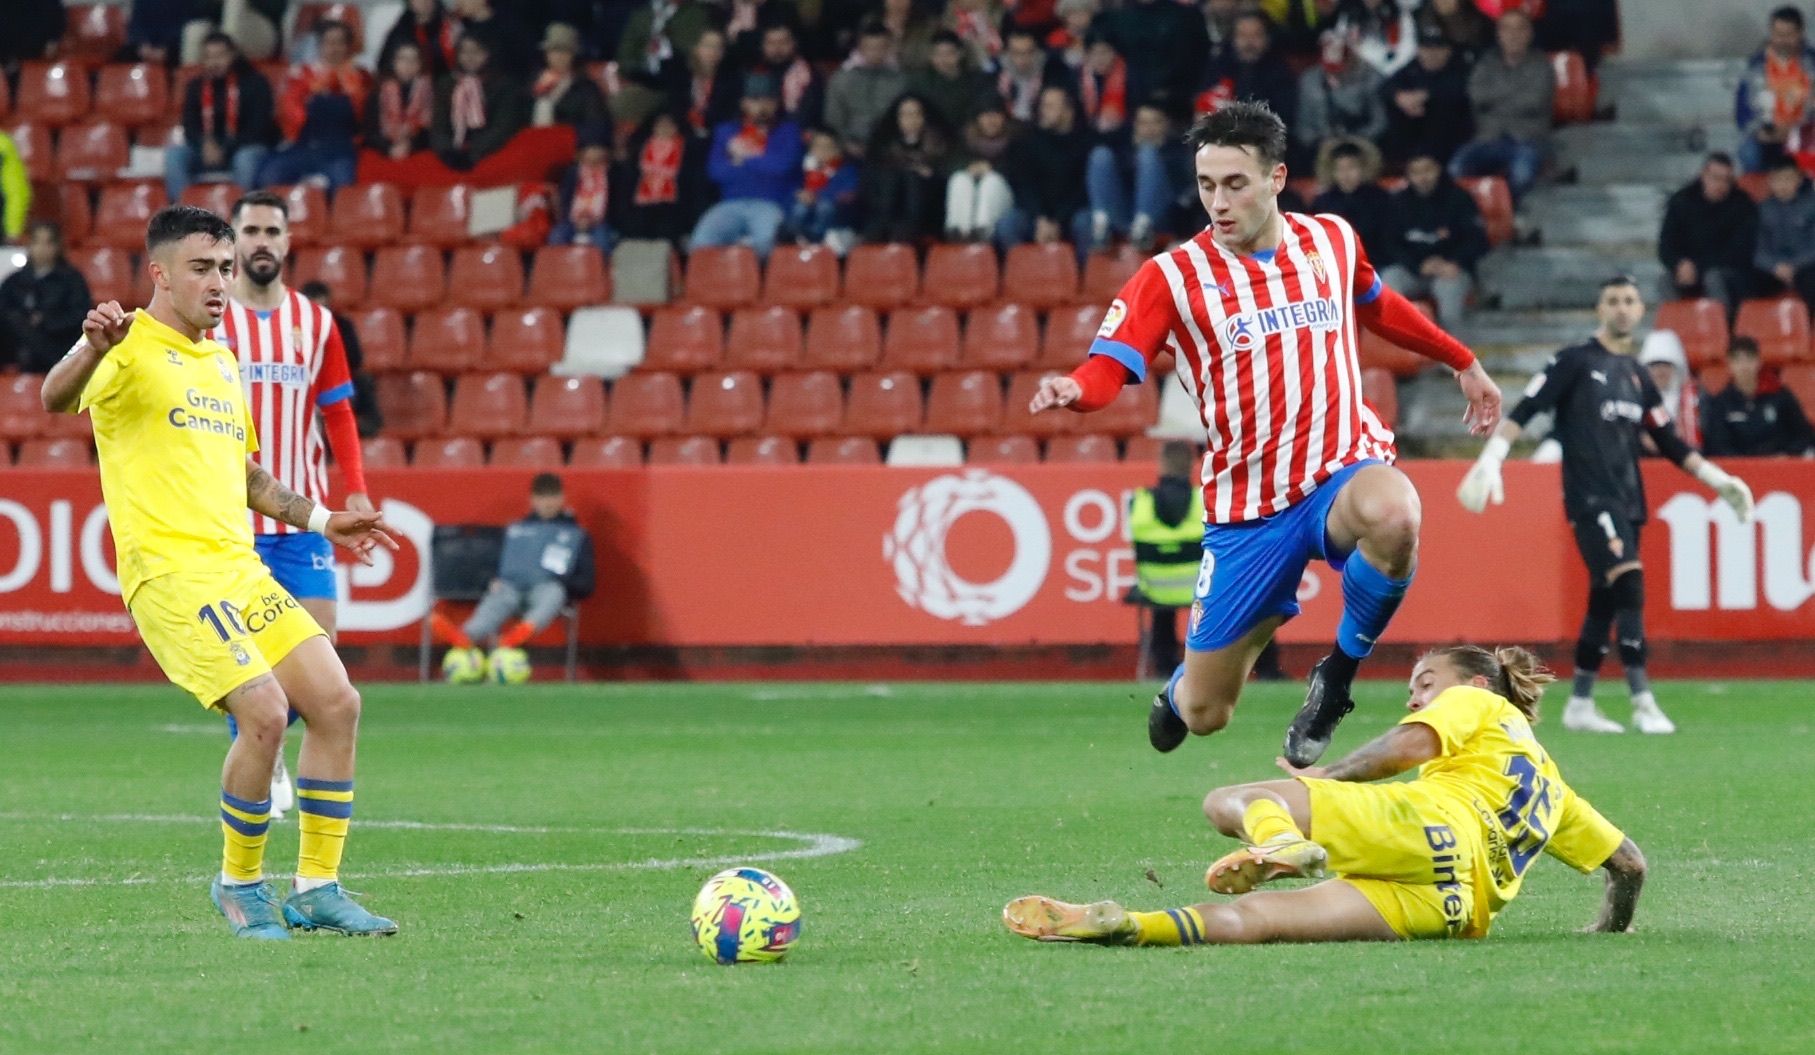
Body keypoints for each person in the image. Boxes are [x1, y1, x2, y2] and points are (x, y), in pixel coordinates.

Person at [1029, 101, 1502, 766]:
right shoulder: (1171, 276)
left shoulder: (1331, 240)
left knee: (1395, 513)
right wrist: (1077, 389)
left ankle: (1335, 678)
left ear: (1276, 177)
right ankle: (1186, 682)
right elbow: (1113, 361)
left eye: (1233, 184)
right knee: (1205, 713)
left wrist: (1460, 358)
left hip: (1341, 465)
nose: (1216, 203)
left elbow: (1376, 304)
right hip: (1250, 506)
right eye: (1204, 186)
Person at [38, 205, 398, 939]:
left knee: (337, 702)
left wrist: (326, 519)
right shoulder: (127, 343)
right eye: (202, 268)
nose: (219, 282)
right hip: (170, 576)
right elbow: (56, 396)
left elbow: (246, 476)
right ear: (159, 273)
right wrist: (90, 347)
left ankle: (319, 886)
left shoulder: (220, 360)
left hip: (238, 569)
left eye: (226, 268)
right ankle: (239, 885)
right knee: (263, 711)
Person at [1004, 645, 1648, 946]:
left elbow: (1408, 745)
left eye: (1426, 682)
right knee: (1265, 924)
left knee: (1233, 799)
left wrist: (1326, 779)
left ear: (1476, 683)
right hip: (1454, 904)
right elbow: (1629, 866)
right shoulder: (1554, 789)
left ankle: (1281, 841)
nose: (1416, 695)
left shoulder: (1477, 699)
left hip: (1431, 824)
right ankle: (1129, 926)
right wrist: (1606, 931)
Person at [1458, 276, 1756, 735]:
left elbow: (1670, 441)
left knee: (1605, 598)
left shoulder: (1637, 375)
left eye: (1630, 301)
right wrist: (1493, 457)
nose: (1621, 308)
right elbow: (1528, 408)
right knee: (1629, 580)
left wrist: (1719, 480)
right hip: (1590, 498)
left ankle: (1579, 703)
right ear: (1600, 308)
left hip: (1628, 501)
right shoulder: (1575, 361)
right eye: (1613, 300)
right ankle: (1642, 700)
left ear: (1640, 312)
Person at [213, 191, 374, 813]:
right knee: (244, 665)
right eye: (248, 229)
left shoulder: (316, 322)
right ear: (233, 241)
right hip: (230, 525)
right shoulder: (211, 318)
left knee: (320, 667)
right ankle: (263, 759)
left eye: (270, 230)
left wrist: (354, 483)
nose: (260, 240)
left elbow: (338, 410)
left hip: (302, 522)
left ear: (286, 242)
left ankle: (276, 752)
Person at [432, 473, 596, 681]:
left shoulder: (576, 535)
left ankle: (521, 633)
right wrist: (491, 580)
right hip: (512, 588)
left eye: (552, 496)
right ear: (533, 499)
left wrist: (563, 581)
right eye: (542, 497)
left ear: (562, 498)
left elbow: (587, 583)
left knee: (554, 593)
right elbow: (497, 566)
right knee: (498, 595)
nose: (547, 503)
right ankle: (466, 636)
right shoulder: (516, 530)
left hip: (545, 590)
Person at [690, 75, 805, 260]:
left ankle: (762, 286)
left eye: (768, 100)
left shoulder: (788, 130)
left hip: (771, 203)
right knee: (701, 242)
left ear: (777, 103)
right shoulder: (726, 131)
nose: (761, 107)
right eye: (754, 100)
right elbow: (716, 172)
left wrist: (744, 157)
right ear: (743, 103)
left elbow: (781, 167)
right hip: (730, 203)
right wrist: (761, 160)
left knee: (766, 241)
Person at [1448, 8, 1555, 201]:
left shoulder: (1542, 65)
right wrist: (1514, 95)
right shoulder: (1486, 63)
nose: (1513, 35)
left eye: (1519, 29)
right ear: (1498, 34)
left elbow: (1534, 101)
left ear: (1529, 34)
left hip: (1527, 140)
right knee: (1455, 169)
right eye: (1506, 29)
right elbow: (1476, 96)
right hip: (1488, 139)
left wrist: (1494, 100)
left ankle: (1510, 217)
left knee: (1522, 175)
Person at [258, 20, 371, 191]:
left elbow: (367, 116)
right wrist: (311, 91)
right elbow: (288, 109)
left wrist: (352, 91)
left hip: (342, 149)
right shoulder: (301, 74)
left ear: (348, 47)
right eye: (328, 42)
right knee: (270, 175)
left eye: (339, 42)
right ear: (320, 45)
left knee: (344, 185)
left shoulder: (362, 76)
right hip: (305, 146)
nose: (334, 48)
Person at [1380, 150, 1488, 326]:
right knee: (1389, 279)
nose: (1422, 177)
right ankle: (1398, 345)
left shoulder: (1459, 198)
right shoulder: (1397, 202)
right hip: (1412, 268)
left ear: (1438, 169)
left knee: (1450, 295)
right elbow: (1389, 243)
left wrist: (1455, 262)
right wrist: (1417, 265)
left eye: (1427, 170)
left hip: (1452, 269)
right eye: (1416, 172)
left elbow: (1477, 239)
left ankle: (1454, 350)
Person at [167, 32, 277, 202]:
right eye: (208, 57)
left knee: (245, 159)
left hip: (244, 146)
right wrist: (204, 144)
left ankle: (240, 216)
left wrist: (225, 148)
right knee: (175, 155)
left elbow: (259, 128)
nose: (214, 62)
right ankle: (183, 216)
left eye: (220, 56)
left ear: (233, 55)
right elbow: (189, 125)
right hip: (207, 149)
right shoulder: (195, 86)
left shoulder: (255, 82)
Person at [1128, 441, 1206, 676]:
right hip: (1202, 590)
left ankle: (1164, 666)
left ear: (1161, 465)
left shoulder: (1139, 501)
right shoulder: (1204, 500)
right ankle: (1266, 669)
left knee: (1162, 607)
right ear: (1192, 465)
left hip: (1154, 590)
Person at [1657, 153, 1757, 322]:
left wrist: (1697, 266)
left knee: (1714, 277)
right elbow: (1666, 245)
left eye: (1727, 180)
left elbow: (1739, 251)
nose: (1721, 185)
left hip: (1728, 272)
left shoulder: (1742, 204)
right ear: (1703, 175)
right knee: (1665, 280)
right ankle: (1678, 329)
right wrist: (1679, 264)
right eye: (1716, 178)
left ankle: (1722, 330)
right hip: (1690, 273)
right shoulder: (1682, 201)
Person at [1085, 103, 1185, 251]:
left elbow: (1184, 195)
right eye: (1143, 123)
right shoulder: (1125, 150)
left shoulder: (1178, 151)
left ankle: (1143, 227)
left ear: (1166, 125)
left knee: (1148, 153)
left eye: (1155, 122)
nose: (1149, 129)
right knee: (1100, 154)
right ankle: (1100, 224)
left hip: (1163, 217)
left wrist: (1154, 156)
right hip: (1126, 216)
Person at [1001, 86, 1092, 249]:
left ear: (1068, 111)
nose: (1043, 111)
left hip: (1070, 215)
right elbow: (1024, 185)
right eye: (1042, 106)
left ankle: (1085, 273)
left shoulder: (1086, 143)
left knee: (1087, 223)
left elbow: (1083, 191)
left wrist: (1058, 221)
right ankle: (1020, 273)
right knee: (1008, 224)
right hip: (1036, 216)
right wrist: (1040, 219)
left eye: (1049, 106)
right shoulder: (1029, 141)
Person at [1701, 336, 1815, 457]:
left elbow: (1803, 435)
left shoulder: (1780, 395)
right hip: (1740, 471)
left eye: (1749, 359)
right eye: (1737, 360)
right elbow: (1718, 447)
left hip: (1780, 468)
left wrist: (1787, 454)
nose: (1744, 366)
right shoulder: (1721, 403)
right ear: (1729, 364)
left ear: (1759, 361)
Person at [860, 95, 951, 245]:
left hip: (928, 213)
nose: (912, 120)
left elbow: (945, 178)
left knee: (912, 179)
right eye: (906, 115)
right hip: (886, 212)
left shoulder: (939, 144)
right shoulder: (882, 146)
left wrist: (929, 174)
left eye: (916, 114)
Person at [431, 34, 530, 172]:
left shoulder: (504, 85)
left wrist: (473, 153)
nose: (469, 57)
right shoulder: (447, 84)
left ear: (488, 53)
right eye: (464, 52)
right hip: (451, 155)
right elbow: (439, 126)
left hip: (490, 153)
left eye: (476, 51)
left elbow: (503, 127)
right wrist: (448, 152)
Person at [0, 223, 91, 373]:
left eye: (48, 243)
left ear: (57, 246)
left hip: (56, 342)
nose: (41, 249)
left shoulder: (72, 280)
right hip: (15, 347)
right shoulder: (14, 281)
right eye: (36, 242)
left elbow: (79, 315)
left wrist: (45, 321)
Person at [1736, 6, 1815, 175]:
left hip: (1804, 132)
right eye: (1777, 34)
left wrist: (1795, 130)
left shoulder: (1812, 64)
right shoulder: (1756, 66)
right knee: (1748, 152)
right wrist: (1760, 132)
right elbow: (1742, 112)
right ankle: (1762, 200)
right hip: (1767, 134)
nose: (1782, 40)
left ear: (1800, 34)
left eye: (1788, 35)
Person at [1380, 24, 1472, 167]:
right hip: (1411, 144)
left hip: (1451, 145)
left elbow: (1458, 91)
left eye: (1438, 48)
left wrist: (1425, 95)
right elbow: (1386, 87)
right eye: (1427, 48)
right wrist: (1399, 97)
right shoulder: (1412, 68)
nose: (1432, 54)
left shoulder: (1460, 69)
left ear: (1448, 50)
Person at [825, 21, 909, 159]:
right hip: (849, 151)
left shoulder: (900, 80)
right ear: (860, 48)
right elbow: (833, 121)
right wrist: (846, 144)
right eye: (869, 48)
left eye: (881, 47)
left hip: (890, 152)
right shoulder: (842, 79)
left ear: (889, 47)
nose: (875, 53)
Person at [1196, 11, 1296, 126]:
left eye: (1256, 35)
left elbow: (1282, 118)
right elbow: (1203, 104)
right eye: (1243, 35)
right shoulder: (1219, 66)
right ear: (1233, 39)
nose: (1249, 42)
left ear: (1267, 39)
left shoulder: (1279, 72)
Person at [1310, 140, 1393, 265]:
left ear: (1364, 167)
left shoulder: (1380, 198)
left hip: (1375, 263)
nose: (1346, 174)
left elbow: (1387, 240)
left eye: (1352, 167)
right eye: (1339, 169)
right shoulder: (1323, 202)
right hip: (1334, 265)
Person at [945, 99, 1017, 242]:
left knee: (991, 181)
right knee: (960, 179)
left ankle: (981, 235)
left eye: (995, 115)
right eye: (985, 115)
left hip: (1005, 201)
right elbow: (948, 165)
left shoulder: (1016, 140)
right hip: (970, 204)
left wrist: (992, 168)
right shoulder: (965, 140)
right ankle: (959, 234)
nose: (990, 121)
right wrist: (969, 167)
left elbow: (1019, 171)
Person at [1751, 158, 1815, 309]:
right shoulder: (1761, 210)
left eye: (1788, 179)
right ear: (1770, 182)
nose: (1783, 185)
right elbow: (1757, 249)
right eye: (1778, 180)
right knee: (1749, 282)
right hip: (1773, 268)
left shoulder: (1811, 206)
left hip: (1804, 266)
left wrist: (1794, 266)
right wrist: (1774, 266)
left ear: (1798, 180)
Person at [786, 129, 860, 250]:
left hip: (834, 220)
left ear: (838, 149)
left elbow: (848, 195)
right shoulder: (801, 169)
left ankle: (815, 241)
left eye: (828, 147)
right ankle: (797, 239)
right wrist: (800, 195)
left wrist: (817, 196)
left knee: (824, 207)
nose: (822, 151)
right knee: (799, 208)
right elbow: (789, 190)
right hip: (804, 215)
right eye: (818, 146)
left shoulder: (847, 170)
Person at [364, 40, 436, 161]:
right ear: (393, 62)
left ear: (421, 63)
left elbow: (433, 131)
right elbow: (370, 132)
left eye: (414, 60)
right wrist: (388, 148)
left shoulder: (429, 91)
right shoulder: (379, 91)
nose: (408, 64)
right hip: (384, 149)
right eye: (403, 59)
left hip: (417, 148)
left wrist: (411, 145)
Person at [910, 29, 993, 133]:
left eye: (949, 53)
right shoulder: (921, 82)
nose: (943, 59)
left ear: (960, 53)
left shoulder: (977, 80)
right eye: (937, 54)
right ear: (930, 56)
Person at [532, 23, 607, 131]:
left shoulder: (586, 88)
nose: (559, 56)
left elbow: (594, 125)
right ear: (546, 53)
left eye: (564, 51)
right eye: (554, 50)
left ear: (573, 55)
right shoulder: (531, 83)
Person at [554, 127, 617, 251]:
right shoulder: (572, 173)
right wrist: (574, 219)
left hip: (601, 222)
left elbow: (617, 203)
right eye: (590, 148)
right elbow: (565, 199)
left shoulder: (613, 173)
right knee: (556, 237)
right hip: (573, 220)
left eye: (598, 148)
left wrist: (597, 219)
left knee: (602, 242)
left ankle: (601, 269)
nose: (594, 152)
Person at [379, 0, 459, 81]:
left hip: (450, 80)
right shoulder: (401, 30)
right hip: (411, 84)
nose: (423, 1)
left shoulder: (451, 23)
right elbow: (385, 65)